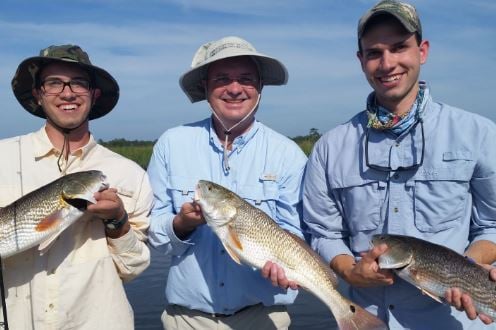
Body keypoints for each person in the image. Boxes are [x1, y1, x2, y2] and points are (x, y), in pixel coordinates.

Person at [302, 1, 496, 329]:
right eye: (374, 52)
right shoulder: (329, 148)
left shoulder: (479, 134)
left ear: (422, 51)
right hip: (364, 320)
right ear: (361, 60)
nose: (387, 63)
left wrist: (468, 269)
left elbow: (491, 224)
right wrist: (350, 271)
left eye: (399, 48)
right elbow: (322, 231)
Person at [147, 36, 307, 329]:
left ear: (259, 88)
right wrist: (180, 224)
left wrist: (285, 267)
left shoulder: (288, 154)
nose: (235, 88)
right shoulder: (171, 143)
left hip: (264, 317)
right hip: (186, 319)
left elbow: (296, 232)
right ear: (205, 88)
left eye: (246, 79)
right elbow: (153, 233)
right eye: (222, 79)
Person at [0, 44, 153, 329]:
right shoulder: (3, 157)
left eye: (79, 84)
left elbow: (132, 268)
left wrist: (116, 220)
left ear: (94, 95)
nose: (67, 93)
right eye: (54, 83)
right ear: (38, 94)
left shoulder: (130, 174)